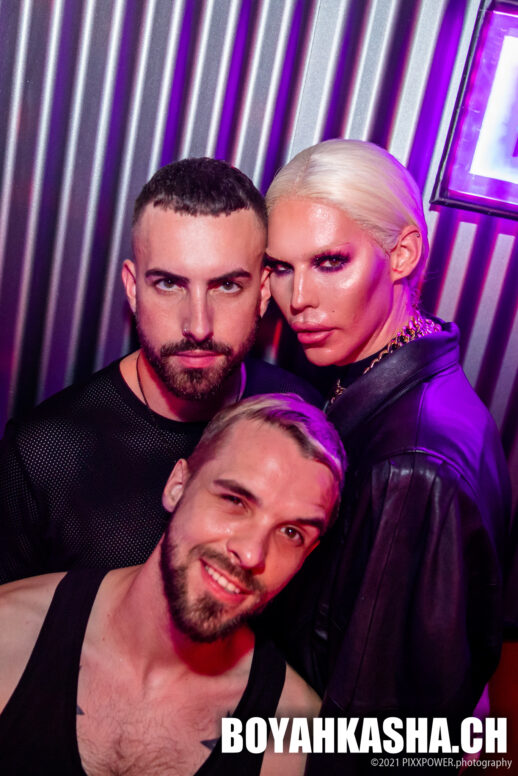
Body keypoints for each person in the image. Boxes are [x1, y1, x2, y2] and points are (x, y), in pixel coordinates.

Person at [262, 139, 512, 771]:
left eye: (330, 262)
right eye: (281, 268)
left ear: (402, 254)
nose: (298, 299)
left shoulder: (413, 466)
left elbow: (377, 732)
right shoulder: (388, 382)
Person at [0, 157, 319, 583]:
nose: (198, 326)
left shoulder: (305, 415)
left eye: (227, 286)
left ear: (262, 293)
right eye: (169, 284)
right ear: (133, 289)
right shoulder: (42, 454)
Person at [0, 394, 346, 775]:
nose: (252, 553)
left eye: (291, 532)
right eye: (235, 500)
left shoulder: (297, 739)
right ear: (178, 486)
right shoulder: (9, 632)